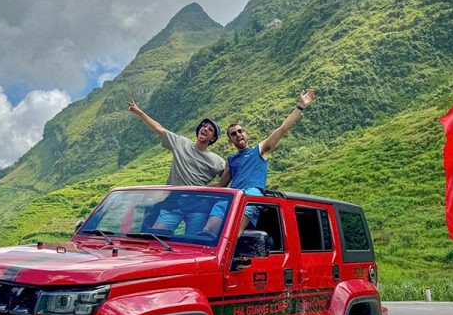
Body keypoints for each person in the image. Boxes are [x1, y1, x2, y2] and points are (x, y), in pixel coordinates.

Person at [204, 89, 315, 233]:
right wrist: (193, 188)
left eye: (240, 131)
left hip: (251, 194)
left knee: (239, 221)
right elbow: (221, 185)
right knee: (209, 227)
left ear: (245, 134)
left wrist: (300, 106)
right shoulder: (231, 160)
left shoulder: (260, 150)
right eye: (233, 134)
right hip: (233, 195)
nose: (238, 135)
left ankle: (235, 236)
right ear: (230, 140)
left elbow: (282, 129)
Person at [128, 99, 225, 234]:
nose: (205, 129)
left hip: (197, 208)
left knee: (193, 242)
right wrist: (139, 112)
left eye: (210, 129)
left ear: (213, 138)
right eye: (204, 126)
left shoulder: (217, 160)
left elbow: (227, 180)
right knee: (156, 236)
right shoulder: (181, 142)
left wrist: (207, 188)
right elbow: (159, 129)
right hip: (173, 204)